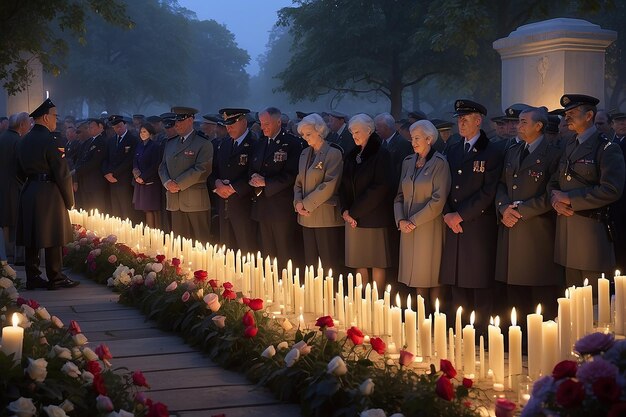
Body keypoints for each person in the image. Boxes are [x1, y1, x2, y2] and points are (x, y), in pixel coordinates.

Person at [548, 94, 625, 286]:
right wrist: (555, 201)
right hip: (566, 232)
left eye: (572, 113)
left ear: (589, 115)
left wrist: (570, 198)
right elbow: (554, 181)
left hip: (591, 234)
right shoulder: (569, 144)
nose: (567, 117)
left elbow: (611, 189)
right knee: (571, 299)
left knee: (594, 302)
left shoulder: (607, 148)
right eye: (566, 113)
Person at [495, 107, 564, 320]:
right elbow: (501, 185)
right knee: (515, 294)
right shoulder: (513, 151)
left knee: (539, 293)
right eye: (519, 122)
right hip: (511, 228)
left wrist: (520, 211)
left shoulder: (553, 154)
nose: (518, 126)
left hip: (536, 232)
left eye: (524, 122)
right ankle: (519, 343)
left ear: (539, 126)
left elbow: (551, 193)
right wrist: (503, 208)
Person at [439, 99, 503, 325]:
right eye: (459, 118)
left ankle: (481, 331)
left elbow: (488, 191)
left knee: (478, 281)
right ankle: (459, 328)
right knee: (456, 279)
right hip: (453, 223)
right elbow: (444, 185)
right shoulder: (454, 148)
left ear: (478, 121)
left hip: (476, 224)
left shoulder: (492, 150)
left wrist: (460, 215)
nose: (460, 123)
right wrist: (447, 213)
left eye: (465, 119)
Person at [16, 99, 78, 290]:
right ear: (45, 117)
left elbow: (18, 170)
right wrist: (70, 200)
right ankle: (55, 277)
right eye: (54, 116)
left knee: (32, 236)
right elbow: (62, 172)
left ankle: (32, 276)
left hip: (29, 189)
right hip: (49, 191)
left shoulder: (24, 139)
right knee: (54, 235)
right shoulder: (51, 140)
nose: (55, 120)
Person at [394, 120, 451, 310]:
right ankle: (418, 318)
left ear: (429, 138)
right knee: (416, 278)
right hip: (407, 227)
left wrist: (413, 221)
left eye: (417, 138)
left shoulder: (440, 163)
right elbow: (399, 196)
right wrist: (401, 220)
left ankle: (435, 319)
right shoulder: (408, 162)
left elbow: (438, 200)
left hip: (428, 227)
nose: (413, 142)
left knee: (431, 276)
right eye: (412, 138)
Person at [339, 113, 394, 290]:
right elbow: (343, 185)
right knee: (359, 261)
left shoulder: (381, 154)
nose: (354, 136)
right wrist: (345, 210)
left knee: (376, 261)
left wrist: (354, 212)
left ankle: (377, 302)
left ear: (369, 130)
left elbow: (380, 187)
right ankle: (362, 301)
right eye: (351, 132)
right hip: (352, 218)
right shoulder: (352, 154)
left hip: (374, 217)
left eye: (357, 131)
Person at [249, 107, 304, 266]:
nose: (263, 127)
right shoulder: (260, 142)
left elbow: (293, 174)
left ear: (278, 122)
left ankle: (286, 285)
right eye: (261, 124)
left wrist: (266, 182)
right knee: (267, 251)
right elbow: (252, 167)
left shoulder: (291, 143)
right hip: (262, 205)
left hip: (281, 207)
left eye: (267, 124)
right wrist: (253, 177)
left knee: (284, 250)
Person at [294, 113, 345, 274]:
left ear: (319, 131)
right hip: (305, 216)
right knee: (311, 265)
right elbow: (298, 182)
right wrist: (297, 202)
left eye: (308, 134)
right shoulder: (304, 154)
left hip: (325, 217)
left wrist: (306, 204)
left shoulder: (333, 153)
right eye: (303, 134)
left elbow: (329, 184)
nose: (305, 138)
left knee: (329, 265)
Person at [158, 106, 213, 242]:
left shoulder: (202, 143)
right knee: (179, 243)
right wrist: (167, 183)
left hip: (194, 201)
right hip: (174, 199)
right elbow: (162, 166)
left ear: (190, 120)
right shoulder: (170, 143)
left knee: (201, 241)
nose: (177, 124)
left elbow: (202, 169)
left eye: (180, 121)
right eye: (176, 121)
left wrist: (177, 184)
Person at [208, 108, 257, 254]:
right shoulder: (224, 144)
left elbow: (255, 173)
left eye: (232, 124)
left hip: (244, 206)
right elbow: (213, 170)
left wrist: (233, 188)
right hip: (224, 205)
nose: (228, 128)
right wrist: (216, 184)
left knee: (246, 250)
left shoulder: (255, 143)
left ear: (243, 122)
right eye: (226, 125)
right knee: (227, 251)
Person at [0, 112, 30, 277]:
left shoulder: (3, 138)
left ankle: (6, 256)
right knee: (16, 222)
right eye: (28, 124)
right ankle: (16, 257)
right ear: (22, 125)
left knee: (6, 222)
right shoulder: (18, 141)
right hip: (15, 187)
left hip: (3, 187)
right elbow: (22, 166)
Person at [104, 115, 139, 221]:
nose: (118, 128)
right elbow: (105, 158)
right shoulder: (111, 140)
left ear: (125, 125)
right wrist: (106, 173)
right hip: (111, 179)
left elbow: (129, 160)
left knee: (126, 209)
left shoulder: (133, 139)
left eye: (120, 125)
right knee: (116, 209)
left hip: (124, 179)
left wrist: (114, 173)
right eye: (115, 127)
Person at [73, 118, 109, 213]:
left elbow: (96, 162)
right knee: (86, 207)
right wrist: (76, 176)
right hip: (84, 181)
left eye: (92, 127)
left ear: (100, 127)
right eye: (88, 127)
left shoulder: (102, 142)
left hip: (95, 181)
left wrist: (78, 170)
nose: (89, 129)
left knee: (97, 208)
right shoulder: (87, 142)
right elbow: (79, 159)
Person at [132, 123, 163, 229]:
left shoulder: (155, 146)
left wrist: (143, 177)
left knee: (151, 209)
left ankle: (155, 232)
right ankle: (149, 231)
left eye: (144, 131)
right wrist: (136, 175)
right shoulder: (139, 145)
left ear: (150, 133)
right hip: (140, 181)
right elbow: (135, 162)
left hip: (151, 182)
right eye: (141, 132)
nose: (142, 134)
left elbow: (155, 165)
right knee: (145, 208)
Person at [611, 111, 626, 272]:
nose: (623, 125)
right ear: (612, 125)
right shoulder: (610, 143)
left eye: (625, 122)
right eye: (619, 122)